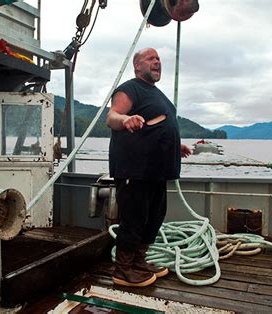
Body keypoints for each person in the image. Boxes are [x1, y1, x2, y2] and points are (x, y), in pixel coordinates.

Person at [106, 48, 192, 287]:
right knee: (133, 220)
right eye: (151, 58)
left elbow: (160, 125)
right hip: (136, 170)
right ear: (137, 66)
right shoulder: (130, 88)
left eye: (158, 59)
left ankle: (138, 261)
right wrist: (125, 120)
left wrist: (177, 144)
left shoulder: (157, 94)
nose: (157, 62)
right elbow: (112, 116)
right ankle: (122, 270)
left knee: (154, 218)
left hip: (157, 172)